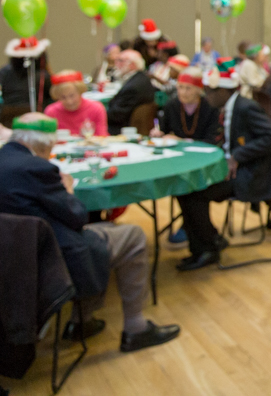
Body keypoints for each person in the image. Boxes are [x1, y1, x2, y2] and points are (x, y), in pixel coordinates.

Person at [0, 114, 181, 351]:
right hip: (50, 256)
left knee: (105, 230)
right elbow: (76, 217)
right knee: (134, 236)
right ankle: (136, 329)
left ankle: (81, 322)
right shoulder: (37, 168)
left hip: (12, 257)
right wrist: (68, 190)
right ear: (44, 144)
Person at [175, 70, 271, 271]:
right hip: (235, 170)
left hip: (252, 175)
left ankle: (208, 248)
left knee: (194, 193)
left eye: (211, 91)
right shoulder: (228, 107)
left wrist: (237, 156)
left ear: (224, 91)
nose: (207, 95)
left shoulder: (245, 107)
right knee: (185, 187)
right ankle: (205, 244)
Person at [152, 68, 221, 143]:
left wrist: (183, 141)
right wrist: (158, 134)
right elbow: (164, 130)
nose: (183, 92)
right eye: (180, 87)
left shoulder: (210, 107)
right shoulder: (171, 105)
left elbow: (212, 138)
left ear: (199, 90)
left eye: (188, 88)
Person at [45, 70, 109, 136]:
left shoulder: (96, 108)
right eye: (63, 97)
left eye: (72, 96)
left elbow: (102, 136)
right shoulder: (51, 112)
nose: (69, 101)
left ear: (80, 92)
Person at [107, 50, 156, 135]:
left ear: (132, 65)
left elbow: (116, 116)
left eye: (121, 61)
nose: (116, 64)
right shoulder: (141, 78)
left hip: (122, 129)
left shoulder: (133, 87)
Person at [0, 37, 53, 113]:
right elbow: (52, 95)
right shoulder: (42, 75)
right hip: (35, 115)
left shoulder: (4, 71)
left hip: (7, 113)